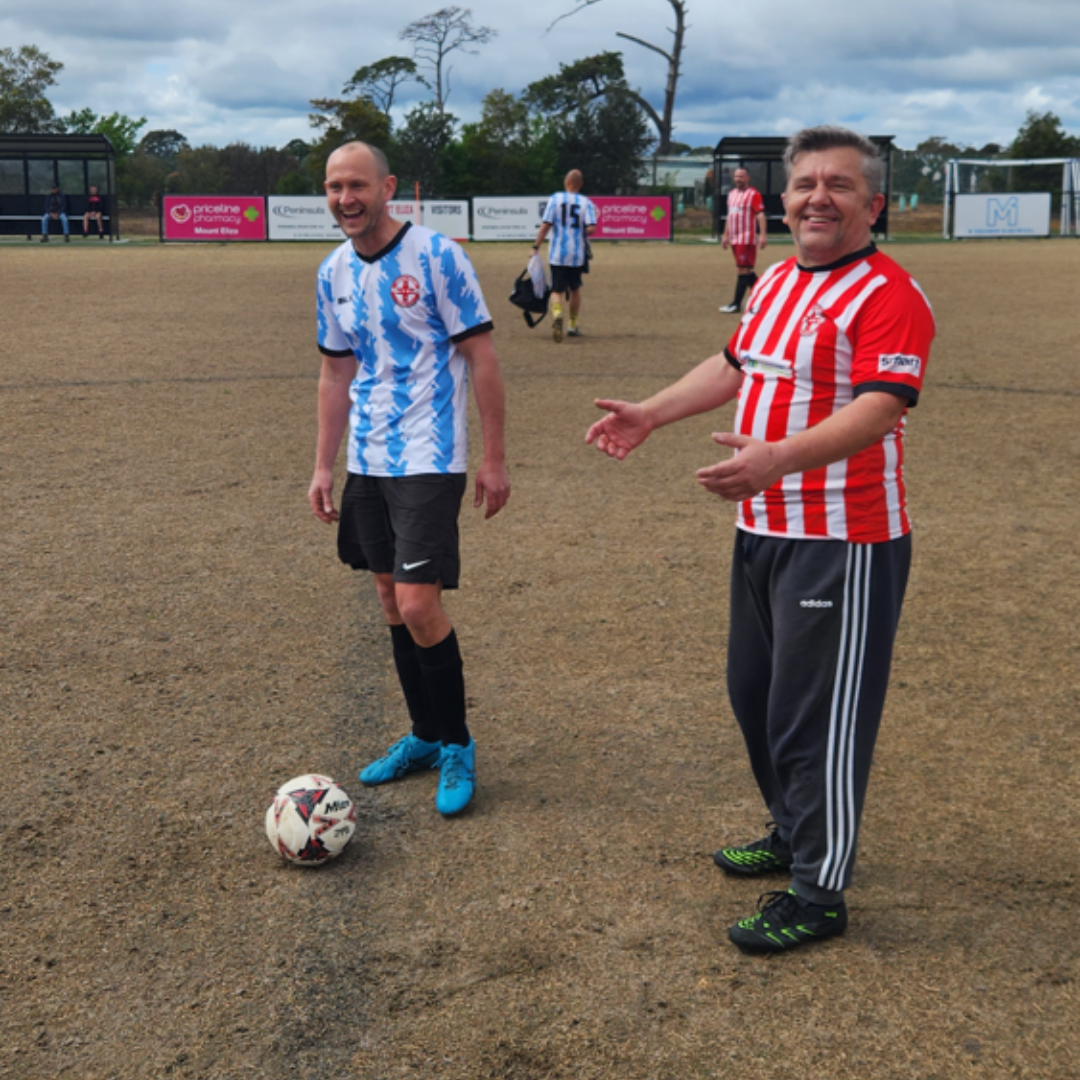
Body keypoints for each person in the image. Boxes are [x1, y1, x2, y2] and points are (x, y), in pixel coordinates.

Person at [586, 126, 934, 952]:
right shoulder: (776, 280)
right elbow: (736, 364)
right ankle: (791, 830)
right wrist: (652, 412)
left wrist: (778, 458)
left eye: (840, 185)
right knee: (758, 699)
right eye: (806, 182)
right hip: (762, 530)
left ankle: (819, 892)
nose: (818, 196)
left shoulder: (889, 292)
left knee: (815, 719)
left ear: (873, 204)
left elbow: (881, 406)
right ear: (783, 200)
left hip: (843, 540)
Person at [308, 141, 510, 817]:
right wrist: (322, 465)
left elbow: (480, 356)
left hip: (429, 454)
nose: (345, 197)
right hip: (367, 457)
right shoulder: (332, 271)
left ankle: (456, 742)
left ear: (387, 187)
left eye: (357, 184)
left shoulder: (437, 256)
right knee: (391, 599)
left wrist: (493, 456)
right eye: (335, 186)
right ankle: (423, 735)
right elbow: (335, 373)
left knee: (421, 605)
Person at [533, 169, 597, 343]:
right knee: (575, 288)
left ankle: (557, 314)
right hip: (577, 254)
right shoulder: (586, 202)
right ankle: (573, 325)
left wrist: (536, 246)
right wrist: (579, 232)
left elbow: (546, 225)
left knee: (556, 289)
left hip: (558, 254)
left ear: (565, 182)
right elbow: (592, 228)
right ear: (581, 184)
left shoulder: (555, 199)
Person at [718, 167, 766, 313]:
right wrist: (726, 235)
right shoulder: (731, 195)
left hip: (746, 237)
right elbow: (729, 216)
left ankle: (736, 304)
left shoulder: (753, 194)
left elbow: (760, 215)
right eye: (737, 177)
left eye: (742, 177)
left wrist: (763, 235)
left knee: (743, 269)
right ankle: (765, 298)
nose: (738, 179)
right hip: (735, 238)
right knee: (746, 270)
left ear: (747, 178)